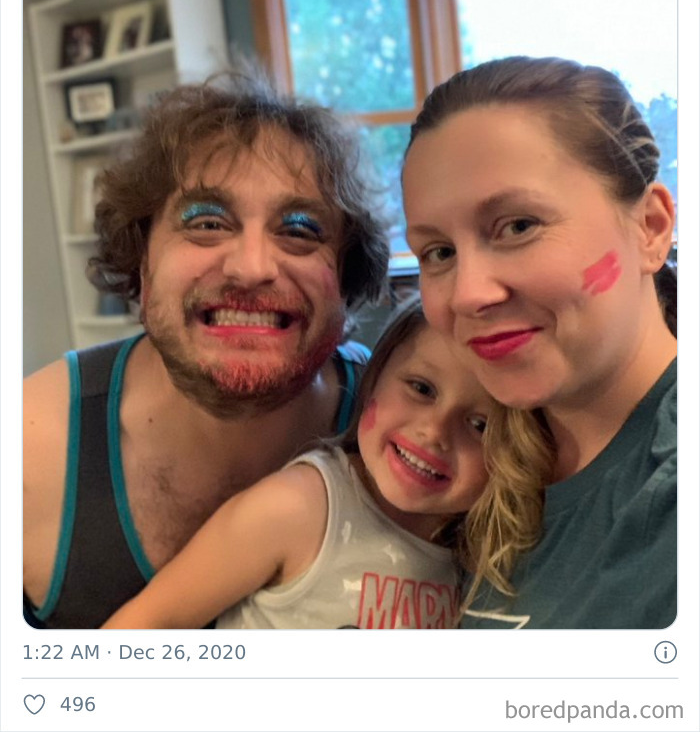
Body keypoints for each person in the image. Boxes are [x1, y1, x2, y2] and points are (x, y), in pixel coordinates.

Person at [23, 73, 389, 629]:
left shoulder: (412, 422)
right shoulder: (27, 448)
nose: (252, 267)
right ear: (142, 264)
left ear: (346, 280)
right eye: (207, 223)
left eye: (299, 230)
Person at [402, 56, 677, 629]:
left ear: (649, 228)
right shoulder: (474, 459)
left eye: (518, 226)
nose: (468, 295)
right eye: (439, 253)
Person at [103, 299, 545, 629]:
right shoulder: (296, 508)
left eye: (480, 425)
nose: (435, 431)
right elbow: (142, 628)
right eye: (421, 388)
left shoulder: (481, 554)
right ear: (375, 377)